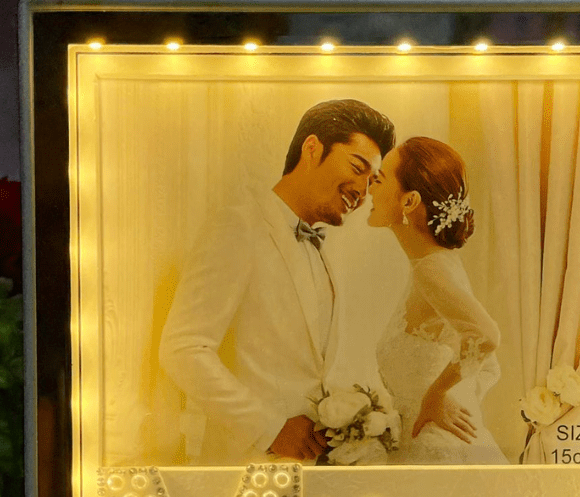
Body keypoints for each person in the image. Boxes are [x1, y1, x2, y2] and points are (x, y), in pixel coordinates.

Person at [159, 99, 395, 464]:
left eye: (372, 181)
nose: (363, 192)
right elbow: (183, 349)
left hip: (316, 474)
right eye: (357, 167)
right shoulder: (239, 225)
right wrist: (269, 428)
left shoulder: (327, 252)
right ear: (312, 149)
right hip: (244, 469)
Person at [368, 137, 508, 465]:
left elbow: (486, 337)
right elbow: (486, 364)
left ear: (409, 201)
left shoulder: (431, 269)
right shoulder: (434, 264)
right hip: (427, 443)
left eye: (380, 179)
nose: (370, 188)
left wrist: (436, 394)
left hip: (439, 450)